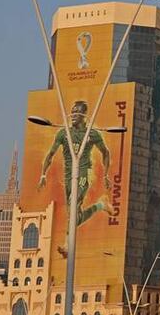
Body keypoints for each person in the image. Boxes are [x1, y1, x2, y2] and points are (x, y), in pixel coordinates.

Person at [38, 100, 113, 237]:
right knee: (73, 218)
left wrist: (106, 175)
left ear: (84, 115)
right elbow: (50, 155)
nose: (73, 115)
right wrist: (43, 175)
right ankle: (100, 205)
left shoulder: (92, 134)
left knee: (73, 205)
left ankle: (67, 245)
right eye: (72, 112)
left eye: (76, 112)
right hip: (69, 176)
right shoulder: (63, 133)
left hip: (84, 173)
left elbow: (105, 152)